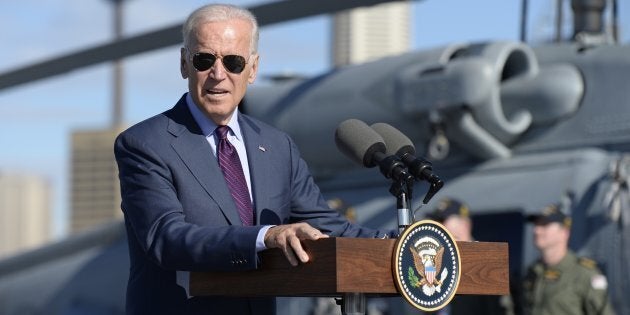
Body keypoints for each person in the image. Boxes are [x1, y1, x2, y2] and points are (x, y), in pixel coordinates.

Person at [113, 4, 395, 315]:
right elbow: (167, 238)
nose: (218, 74)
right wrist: (267, 236)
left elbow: (327, 226)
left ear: (253, 68)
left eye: (233, 62)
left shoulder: (277, 146)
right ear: (184, 64)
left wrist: (401, 243)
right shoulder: (145, 144)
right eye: (204, 59)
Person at [522, 203, 615, 315]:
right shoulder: (533, 272)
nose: (536, 230)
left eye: (544, 224)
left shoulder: (583, 274)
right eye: (536, 224)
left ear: (564, 233)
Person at [425, 197, 512, 315]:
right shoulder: (439, 262)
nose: (437, 225)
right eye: (436, 221)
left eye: (442, 219)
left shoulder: (486, 262)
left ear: (464, 223)